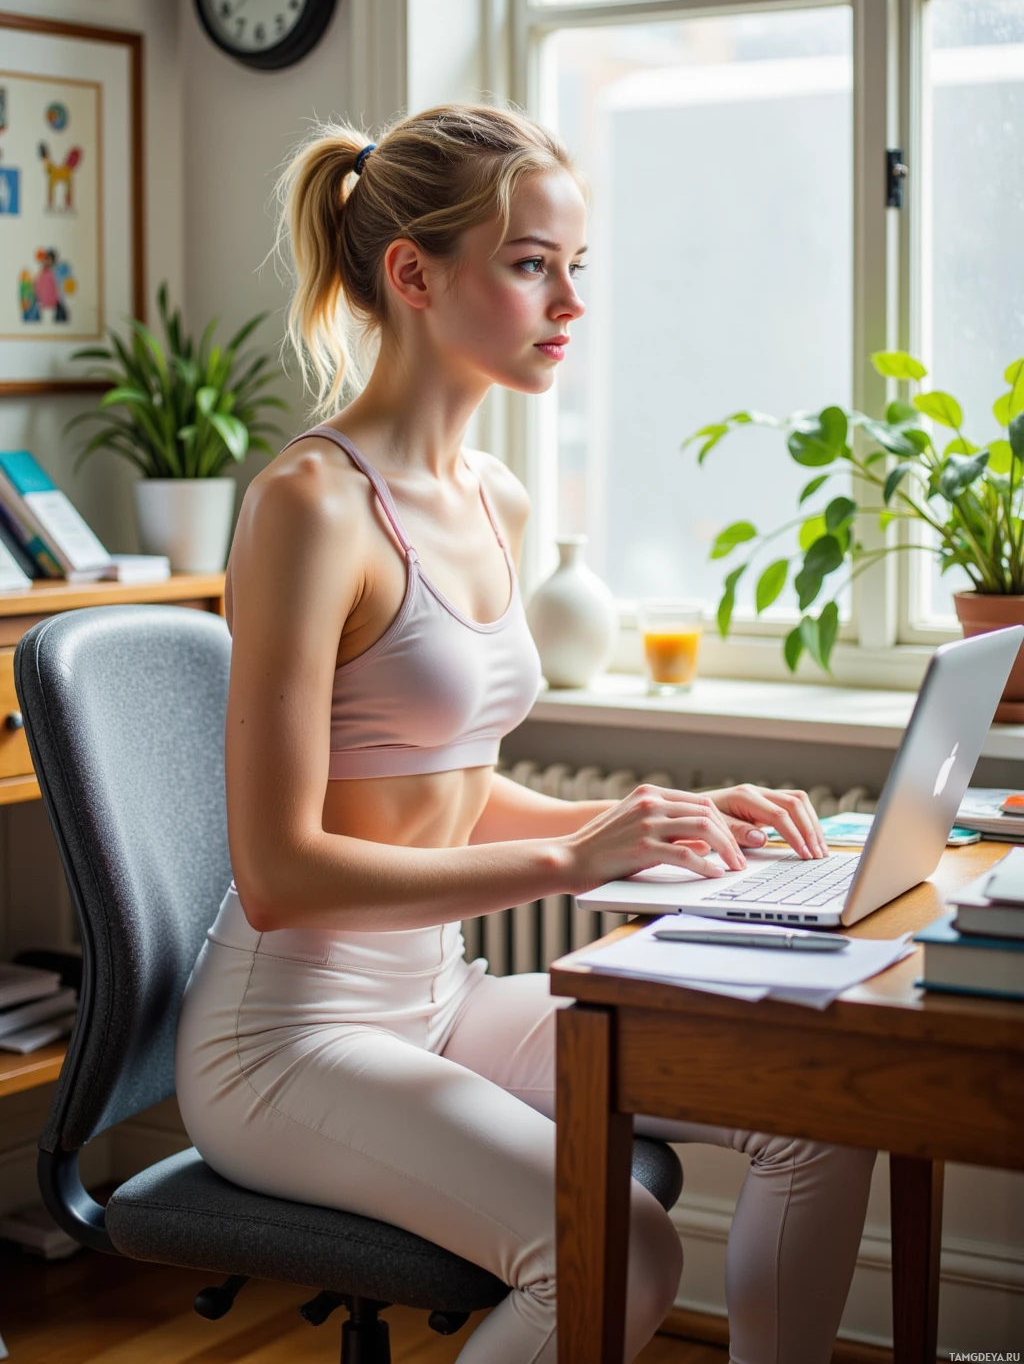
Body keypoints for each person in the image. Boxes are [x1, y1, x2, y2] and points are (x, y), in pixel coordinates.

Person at [175, 104, 874, 1364]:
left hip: (436, 1001)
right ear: (413, 274)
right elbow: (278, 876)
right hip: (284, 1042)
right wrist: (573, 862)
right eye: (530, 263)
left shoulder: (493, 494)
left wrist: (647, 823)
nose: (569, 301)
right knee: (622, 1246)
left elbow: (445, 783)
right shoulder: (309, 508)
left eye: (575, 266)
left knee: (814, 1107)